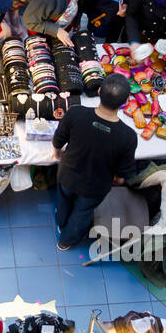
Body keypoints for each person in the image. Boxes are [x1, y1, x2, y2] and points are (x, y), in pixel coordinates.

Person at [52, 73, 140, 251]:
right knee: (82, 213)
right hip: (95, 187)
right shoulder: (128, 137)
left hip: (68, 174)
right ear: (126, 101)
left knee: (64, 199)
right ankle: (65, 241)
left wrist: (57, 154)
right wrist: (118, 181)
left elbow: (58, 140)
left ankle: (61, 224)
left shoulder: (76, 112)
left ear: (99, 91)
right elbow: (124, 173)